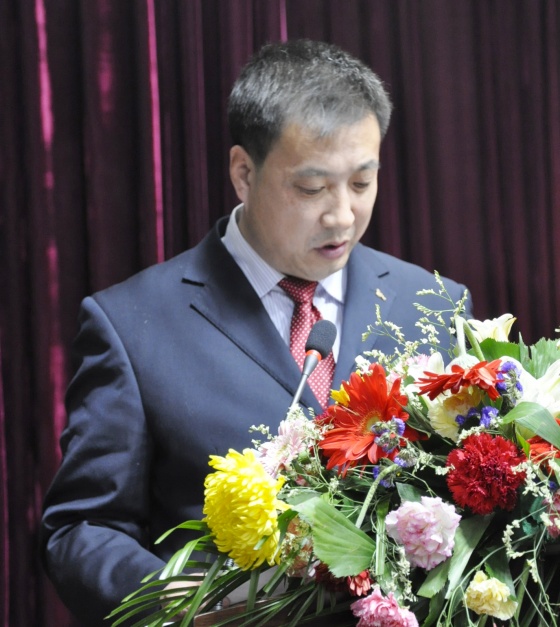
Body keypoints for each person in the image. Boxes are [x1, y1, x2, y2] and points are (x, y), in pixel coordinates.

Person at [41, 39, 472, 626]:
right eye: (312, 188)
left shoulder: (434, 302)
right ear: (244, 173)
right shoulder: (131, 325)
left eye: (361, 182)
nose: (342, 215)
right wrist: (182, 605)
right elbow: (81, 528)